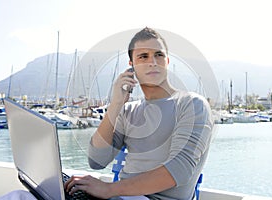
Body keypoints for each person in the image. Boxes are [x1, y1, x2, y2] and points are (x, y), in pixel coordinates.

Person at [64, 27, 214, 200]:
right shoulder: (128, 110)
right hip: (120, 196)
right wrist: (116, 105)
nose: (153, 62)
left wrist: (109, 189)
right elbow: (97, 161)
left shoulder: (192, 104)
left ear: (167, 61)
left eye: (159, 55)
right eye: (143, 57)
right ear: (132, 66)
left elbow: (178, 170)